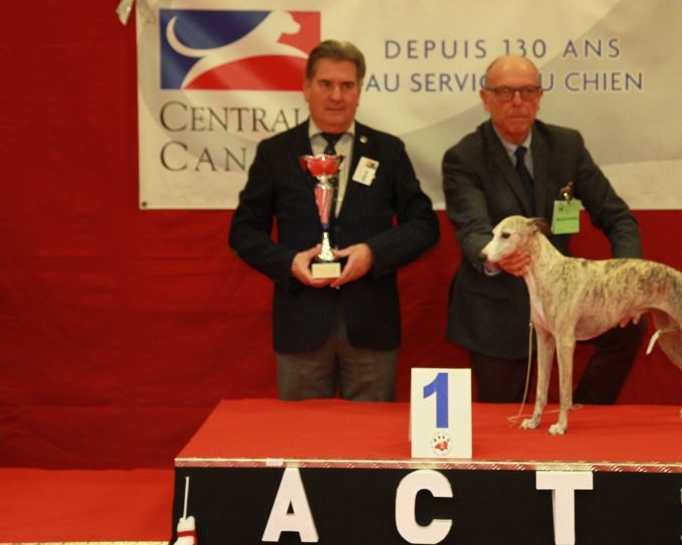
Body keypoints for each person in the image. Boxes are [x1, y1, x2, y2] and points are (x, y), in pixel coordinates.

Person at [230, 39, 439, 402]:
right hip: (302, 323)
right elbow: (244, 231)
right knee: (302, 442)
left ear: (360, 91)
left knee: (371, 445)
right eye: (326, 84)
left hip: (371, 323)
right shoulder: (276, 153)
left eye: (347, 85)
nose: (337, 96)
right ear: (306, 89)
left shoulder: (387, 151)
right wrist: (288, 262)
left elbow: (423, 224)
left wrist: (374, 253)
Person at [442, 54, 644, 404]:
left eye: (527, 91)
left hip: (565, 296)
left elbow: (618, 217)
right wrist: (495, 260)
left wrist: (629, 278)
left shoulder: (567, 145)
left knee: (632, 322)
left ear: (540, 96)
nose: (517, 102)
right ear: (485, 97)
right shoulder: (464, 156)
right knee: (507, 428)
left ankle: (584, 409)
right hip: (497, 307)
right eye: (505, 92)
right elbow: (473, 228)